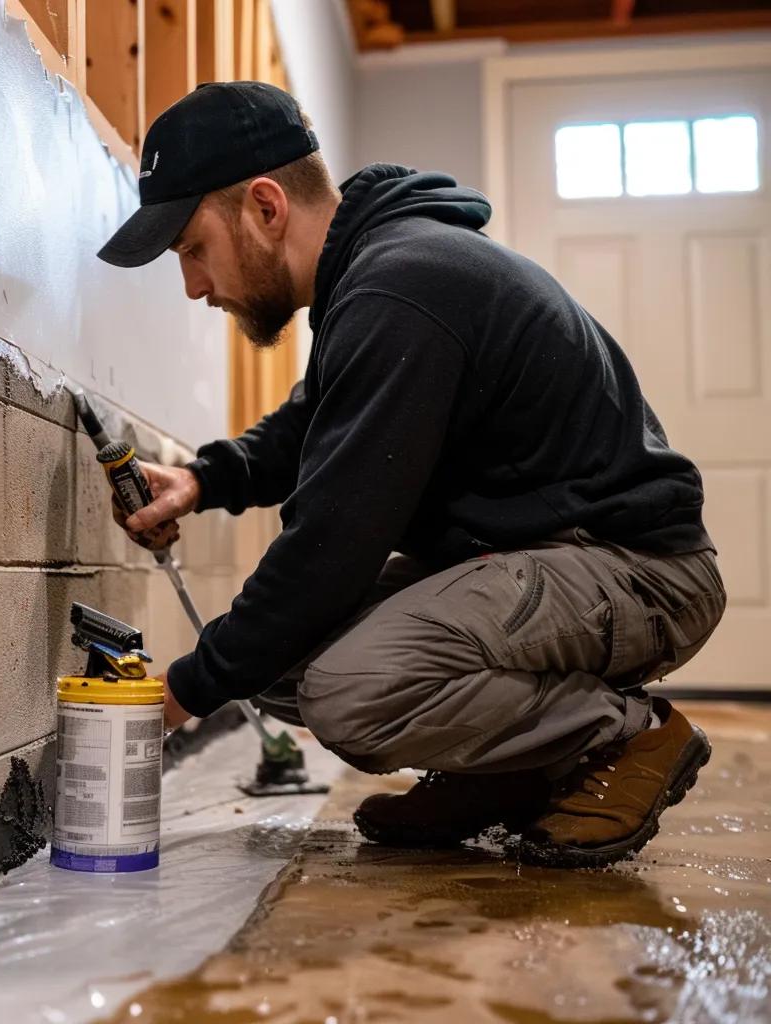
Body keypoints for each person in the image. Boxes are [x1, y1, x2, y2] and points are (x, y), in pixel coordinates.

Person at [96, 81, 726, 868]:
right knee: (278, 662)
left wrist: (176, 698)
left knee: (346, 687)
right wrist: (205, 480)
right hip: (550, 562)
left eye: (192, 247)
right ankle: (506, 772)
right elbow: (317, 417)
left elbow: (331, 547)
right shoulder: (380, 275)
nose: (194, 284)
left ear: (265, 206)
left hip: (637, 571)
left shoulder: (403, 285)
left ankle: (627, 738)